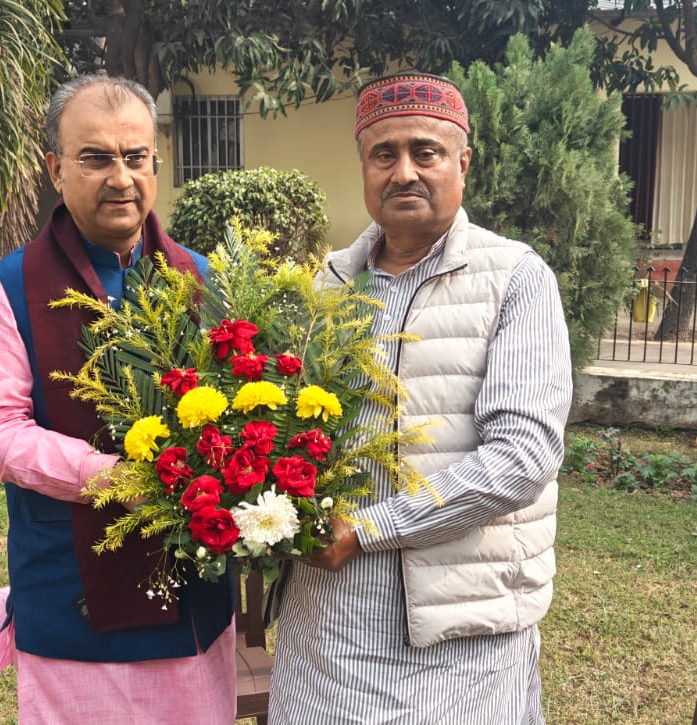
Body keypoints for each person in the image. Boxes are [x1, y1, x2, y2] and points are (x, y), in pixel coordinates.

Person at [0, 75, 236, 723]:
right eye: (95, 158)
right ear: (56, 168)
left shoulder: (201, 278)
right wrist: (113, 478)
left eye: (135, 156)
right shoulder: (11, 289)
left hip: (191, 592)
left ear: (155, 163)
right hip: (71, 584)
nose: (120, 178)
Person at [269, 72, 572, 724]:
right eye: (384, 154)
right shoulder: (328, 283)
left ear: (462, 163)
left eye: (425, 152)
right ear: (364, 166)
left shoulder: (515, 279)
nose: (403, 172)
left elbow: (522, 458)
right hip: (328, 624)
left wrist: (369, 530)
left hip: (459, 629)